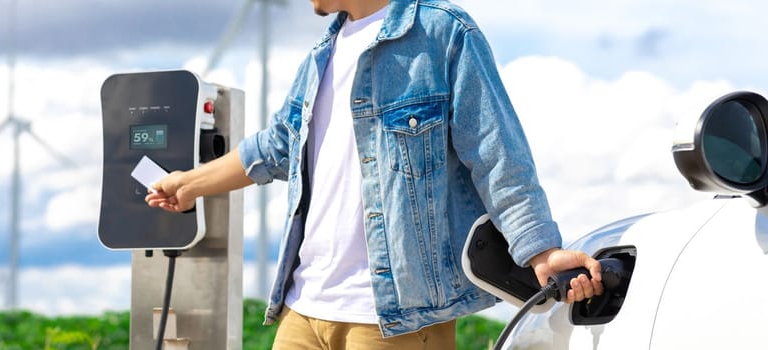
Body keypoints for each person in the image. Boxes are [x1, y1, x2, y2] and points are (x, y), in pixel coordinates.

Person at [146, 0, 603, 348]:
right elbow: (277, 146)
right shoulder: (320, 57)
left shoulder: (441, 33)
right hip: (302, 308)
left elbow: (495, 152)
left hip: (394, 319)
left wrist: (541, 251)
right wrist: (188, 185)